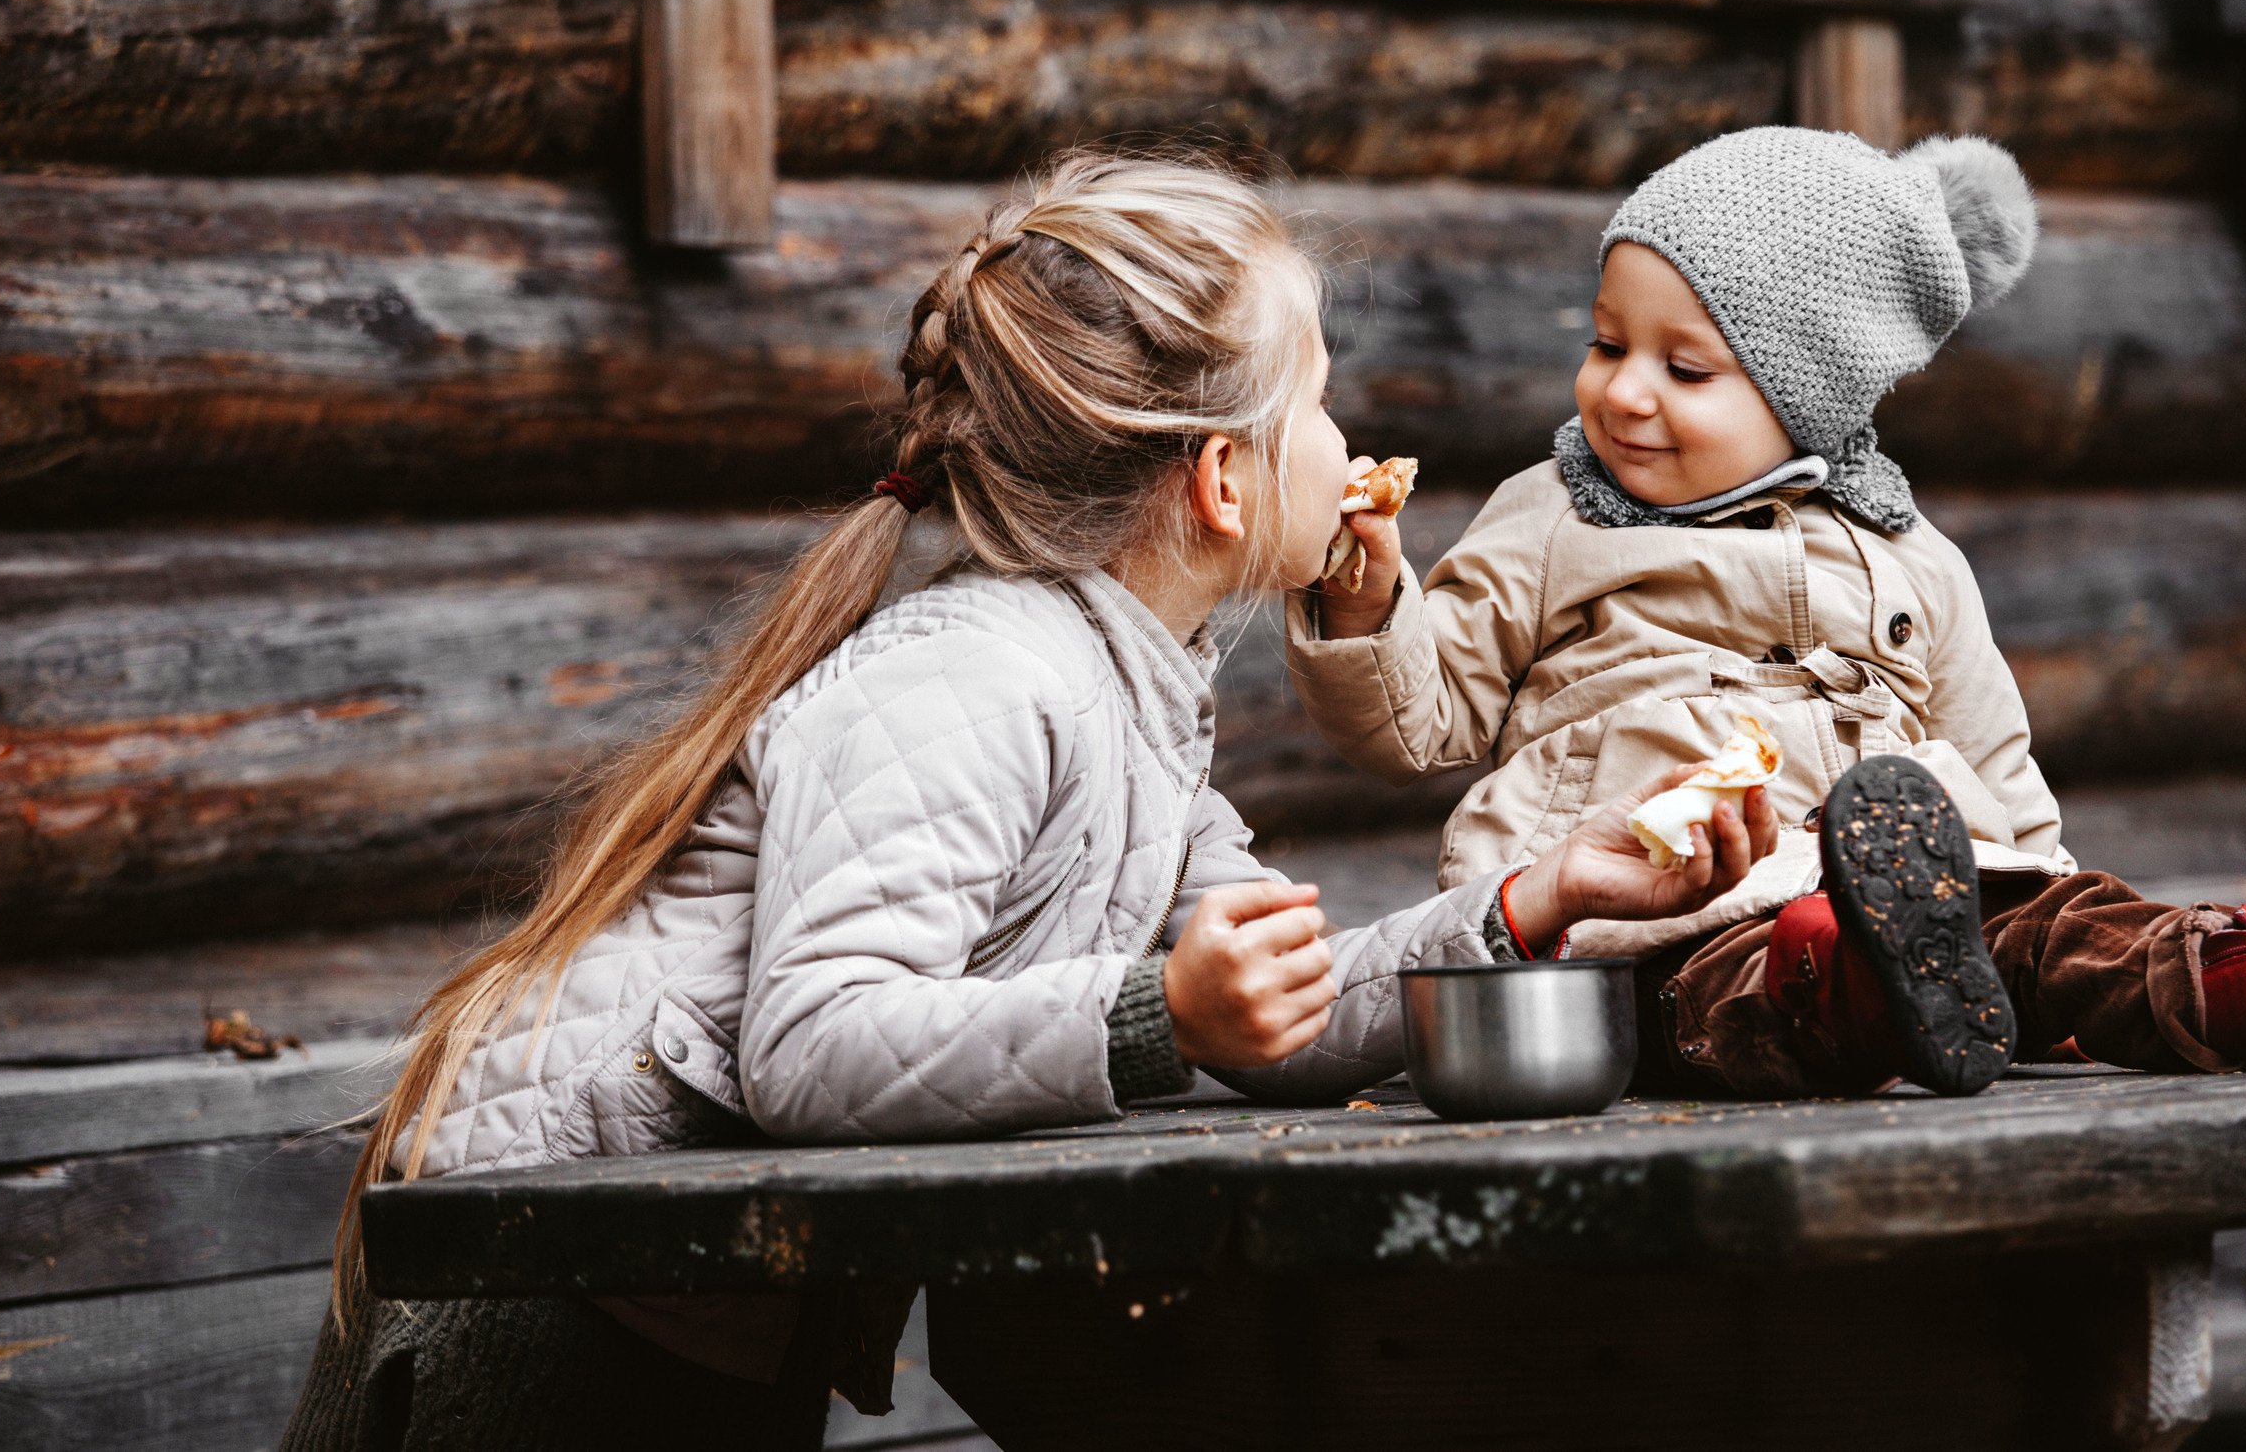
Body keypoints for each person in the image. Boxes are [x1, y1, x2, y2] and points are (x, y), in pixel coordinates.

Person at [281, 149, 1779, 1452]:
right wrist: (1152, 1017)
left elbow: (1288, 1018)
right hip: (538, 1290)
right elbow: (812, 1040)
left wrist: (1544, 895)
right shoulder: (975, 676)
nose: (1348, 441)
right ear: (1223, 483)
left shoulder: (1130, 699)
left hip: (688, 1298)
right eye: (1318, 403)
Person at [1293, 125, 2246, 1103]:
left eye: (1684, 368)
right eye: (1605, 342)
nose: (1621, 393)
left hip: (1926, 882)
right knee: (1762, 983)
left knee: (2080, 935)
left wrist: (2034, 886)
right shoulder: (1555, 514)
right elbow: (1421, 719)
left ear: (1810, 392)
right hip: (1665, 921)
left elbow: (1991, 753)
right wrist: (1361, 600)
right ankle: (1892, 985)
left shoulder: (1907, 555)